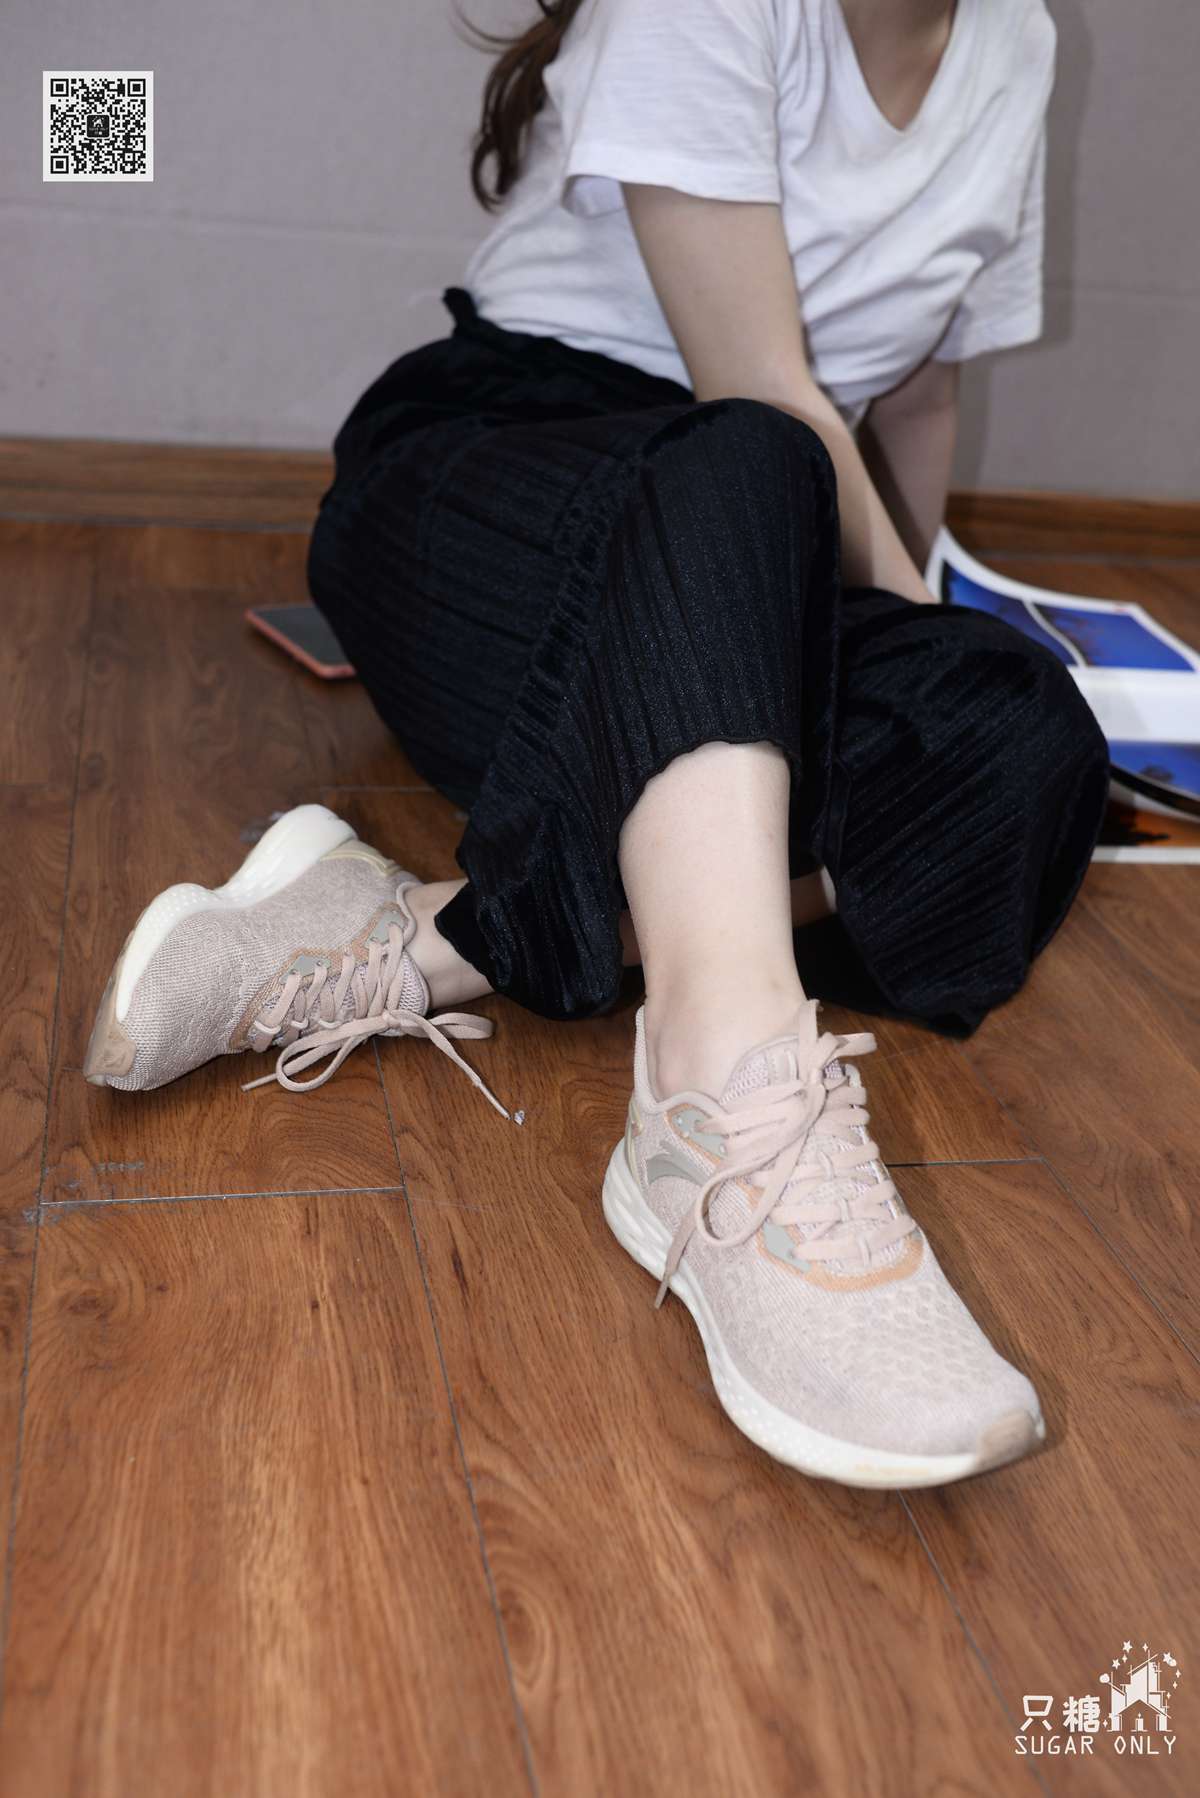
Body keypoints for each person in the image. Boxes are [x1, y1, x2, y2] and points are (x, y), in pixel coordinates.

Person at [84, 0, 1110, 1489]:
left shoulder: (1020, 44)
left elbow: (920, 390)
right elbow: (763, 391)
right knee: (754, 458)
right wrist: (882, 690)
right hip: (492, 490)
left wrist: (939, 680)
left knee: (1030, 732)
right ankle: (714, 1101)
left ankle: (432, 939)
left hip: (750, 563)